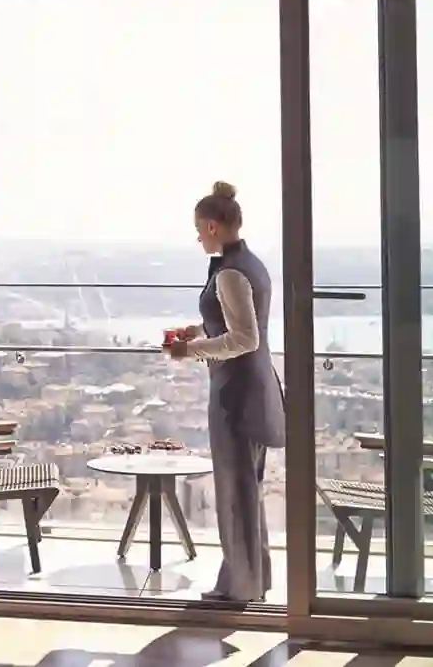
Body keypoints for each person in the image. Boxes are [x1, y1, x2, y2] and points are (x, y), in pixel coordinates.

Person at [162, 181, 284, 603]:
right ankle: (252, 580)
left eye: (199, 229)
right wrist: (199, 329)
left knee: (235, 491)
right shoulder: (249, 263)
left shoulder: (230, 271)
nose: (197, 236)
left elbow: (244, 337)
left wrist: (188, 349)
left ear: (213, 226)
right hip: (255, 386)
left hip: (236, 391)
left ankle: (240, 588)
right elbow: (241, 323)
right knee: (246, 489)